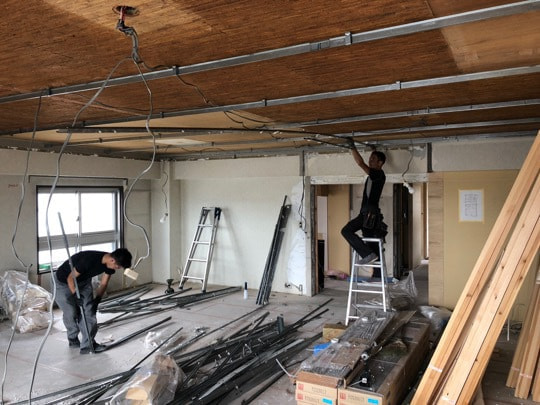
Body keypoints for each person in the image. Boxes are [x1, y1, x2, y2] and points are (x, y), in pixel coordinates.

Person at [55, 248, 132, 354]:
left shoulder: (109, 265)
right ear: (112, 260)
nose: (117, 268)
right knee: (71, 312)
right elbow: (70, 278)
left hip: (84, 283)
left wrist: (97, 300)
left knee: (89, 312)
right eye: (118, 266)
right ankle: (72, 338)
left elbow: (104, 284)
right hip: (63, 283)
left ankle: (88, 345)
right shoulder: (88, 260)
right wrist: (75, 295)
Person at [341, 139, 387, 273]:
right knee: (372, 243)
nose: (370, 161)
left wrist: (352, 147)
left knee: (346, 231)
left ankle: (367, 254)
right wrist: (374, 150)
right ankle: (377, 274)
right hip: (370, 214)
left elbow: (360, 163)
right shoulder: (377, 174)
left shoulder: (378, 174)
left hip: (368, 214)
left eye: (373, 159)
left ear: (380, 163)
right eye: (370, 159)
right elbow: (370, 162)